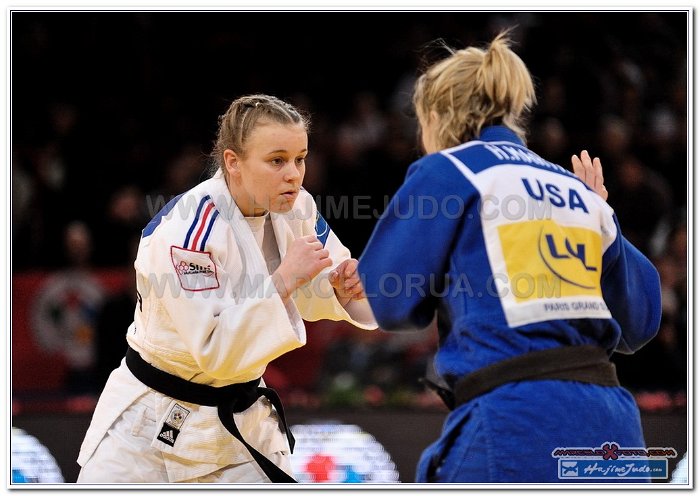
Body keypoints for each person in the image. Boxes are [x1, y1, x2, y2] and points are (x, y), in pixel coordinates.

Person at [357, 31, 662, 483]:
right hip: (614, 431)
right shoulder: (577, 190)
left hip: (517, 422)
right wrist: (599, 214)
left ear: (438, 116)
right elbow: (641, 322)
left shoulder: (450, 169)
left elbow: (390, 303)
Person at [77, 94, 377, 483]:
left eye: (300, 158)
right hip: (146, 431)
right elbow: (216, 352)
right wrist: (286, 277)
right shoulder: (190, 232)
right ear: (233, 162)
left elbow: (319, 283)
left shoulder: (296, 206)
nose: (294, 174)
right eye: (277, 160)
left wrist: (341, 288)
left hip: (240, 422)